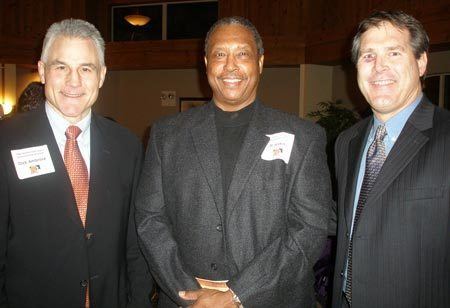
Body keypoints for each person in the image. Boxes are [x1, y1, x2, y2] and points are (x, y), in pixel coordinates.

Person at [136, 16, 332, 307]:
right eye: (219, 54)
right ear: (206, 63)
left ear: (260, 63)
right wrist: (189, 294)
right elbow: (149, 221)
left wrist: (237, 294)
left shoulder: (304, 137)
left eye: (242, 54)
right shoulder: (166, 135)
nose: (230, 66)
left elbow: (310, 228)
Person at [0, 19, 153, 308]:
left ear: (102, 75)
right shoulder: (5, 142)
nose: (74, 81)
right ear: (43, 71)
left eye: (86, 68)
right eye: (61, 67)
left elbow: (136, 247)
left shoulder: (127, 146)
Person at [331, 11, 450, 308]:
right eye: (368, 56)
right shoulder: (347, 143)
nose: (379, 67)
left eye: (393, 53)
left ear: (421, 62)